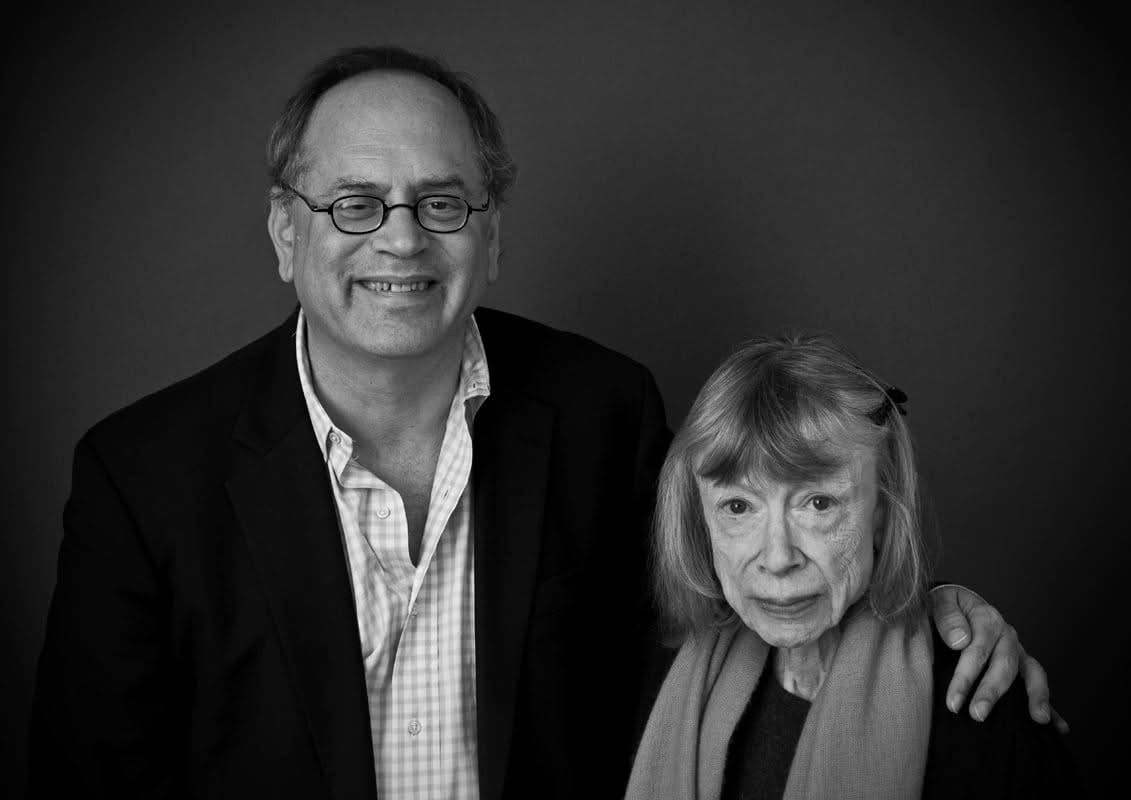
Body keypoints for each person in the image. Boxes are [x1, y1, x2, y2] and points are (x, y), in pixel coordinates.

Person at [30, 46, 1056, 800]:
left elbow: (734, 593)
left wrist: (933, 612)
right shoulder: (144, 474)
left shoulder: (604, 408)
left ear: (491, 234)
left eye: (441, 202)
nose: (401, 237)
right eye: (354, 203)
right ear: (283, 230)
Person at [626, 334, 1076, 799]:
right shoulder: (654, 680)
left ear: (882, 513)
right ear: (699, 518)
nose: (778, 558)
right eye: (738, 507)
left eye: (818, 503)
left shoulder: (980, 704)